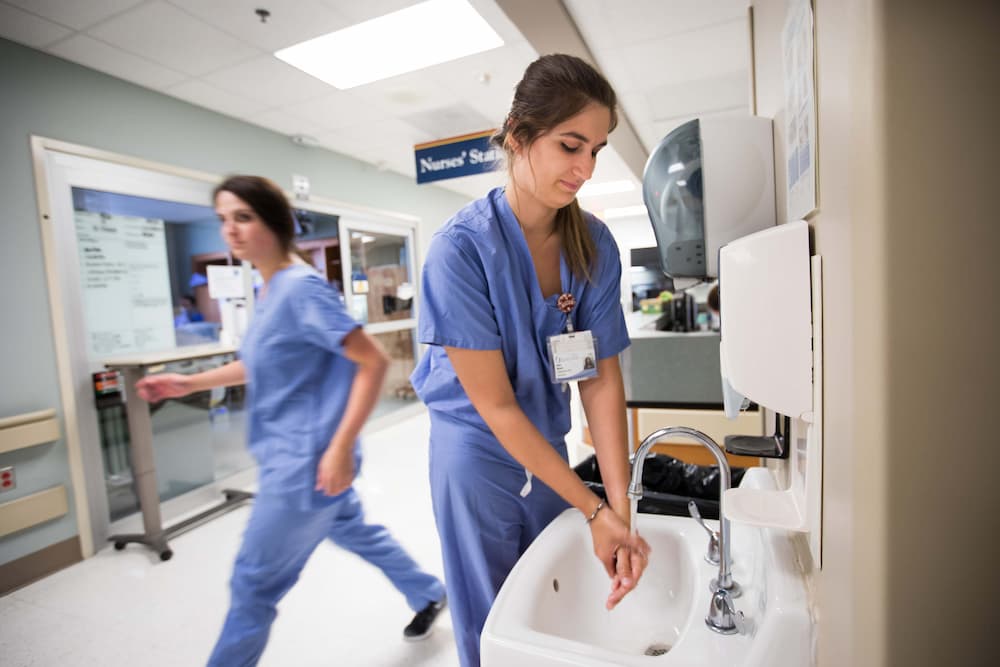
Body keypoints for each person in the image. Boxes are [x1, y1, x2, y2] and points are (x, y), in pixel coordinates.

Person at [136, 175, 446, 666]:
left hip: (305, 468)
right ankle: (429, 591)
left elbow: (372, 361)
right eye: (223, 219)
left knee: (252, 585)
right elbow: (262, 361)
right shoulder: (271, 289)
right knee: (355, 531)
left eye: (243, 217)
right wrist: (187, 383)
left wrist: (340, 446)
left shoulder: (299, 287)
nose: (230, 231)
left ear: (274, 223)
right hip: (301, 460)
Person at [410, 54, 651, 667]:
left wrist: (617, 508)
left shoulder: (592, 243)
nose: (585, 168)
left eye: (596, 150)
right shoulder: (460, 252)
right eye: (571, 145)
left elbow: (598, 377)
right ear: (519, 135)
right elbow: (493, 405)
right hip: (477, 458)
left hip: (548, 449)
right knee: (494, 624)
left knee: (551, 603)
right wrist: (592, 506)